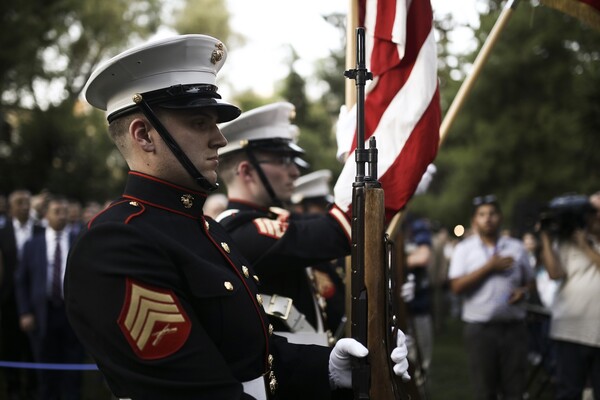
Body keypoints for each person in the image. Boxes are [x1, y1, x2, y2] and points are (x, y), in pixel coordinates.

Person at [64, 34, 409, 400]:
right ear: (144, 135)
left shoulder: (206, 230)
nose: (219, 139)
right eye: (199, 123)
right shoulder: (118, 245)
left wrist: (328, 365)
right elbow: (193, 391)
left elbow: (253, 355)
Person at [216, 102, 353, 346]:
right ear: (247, 172)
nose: (294, 172)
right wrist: (358, 164)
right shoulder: (237, 231)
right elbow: (336, 232)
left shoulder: (270, 218)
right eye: (282, 160)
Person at [448, 194, 534, 400]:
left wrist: (524, 291)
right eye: (482, 214)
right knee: (485, 390)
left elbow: (530, 281)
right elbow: (456, 287)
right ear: (474, 220)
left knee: (515, 389)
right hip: (481, 330)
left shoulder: (516, 247)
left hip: (514, 328)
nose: (488, 218)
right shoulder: (464, 249)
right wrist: (489, 267)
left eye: (493, 213)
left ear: (501, 217)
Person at [15, 195, 85, 400]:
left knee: (72, 369)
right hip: (41, 314)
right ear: (46, 215)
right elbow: (22, 281)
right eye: (57, 212)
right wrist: (25, 311)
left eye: (65, 211)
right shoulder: (32, 245)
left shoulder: (78, 241)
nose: (62, 216)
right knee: (46, 372)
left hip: (71, 314)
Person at [539, 192, 600, 400]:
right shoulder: (566, 241)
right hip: (570, 330)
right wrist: (546, 239)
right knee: (569, 392)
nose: (595, 216)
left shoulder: (581, 242)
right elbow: (555, 273)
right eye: (592, 212)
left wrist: (585, 246)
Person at [290, 169, 347, 340]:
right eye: (319, 207)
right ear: (300, 208)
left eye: (326, 207)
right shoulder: (296, 244)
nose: (325, 213)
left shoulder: (327, 240)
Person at [0, 189, 42, 400]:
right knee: (10, 345)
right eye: (19, 203)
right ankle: (13, 386)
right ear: (10, 207)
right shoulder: (3, 232)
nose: (25, 206)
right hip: (7, 299)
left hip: (34, 297)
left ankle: (34, 387)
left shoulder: (39, 230)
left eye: (27, 202)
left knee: (32, 345)